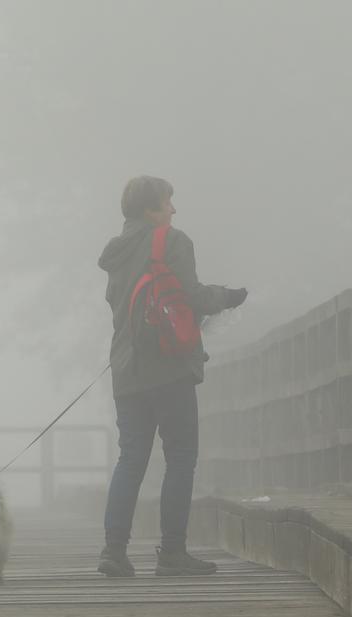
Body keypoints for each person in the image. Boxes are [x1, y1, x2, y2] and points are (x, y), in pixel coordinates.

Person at [97, 176, 248, 577]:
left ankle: (113, 551)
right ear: (151, 210)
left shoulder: (116, 252)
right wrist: (228, 296)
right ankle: (173, 553)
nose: (173, 210)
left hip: (127, 370)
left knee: (131, 459)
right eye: (168, 203)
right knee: (180, 458)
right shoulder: (172, 241)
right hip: (168, 367)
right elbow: (191, 296)